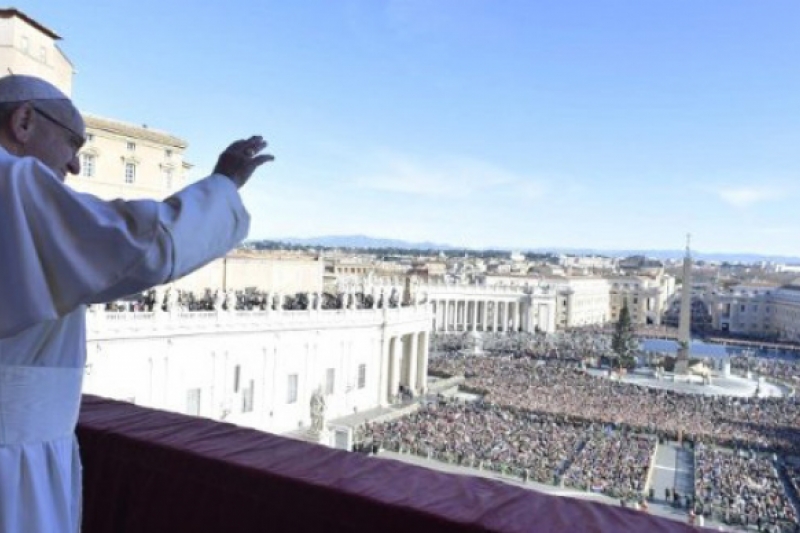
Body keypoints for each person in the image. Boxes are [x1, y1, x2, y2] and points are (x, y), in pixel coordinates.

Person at [0, 74, 273, 533]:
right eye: (73, 143)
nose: (74, 167)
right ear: (24, 121)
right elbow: (140, 247)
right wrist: (223, 185)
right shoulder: (12, 182)